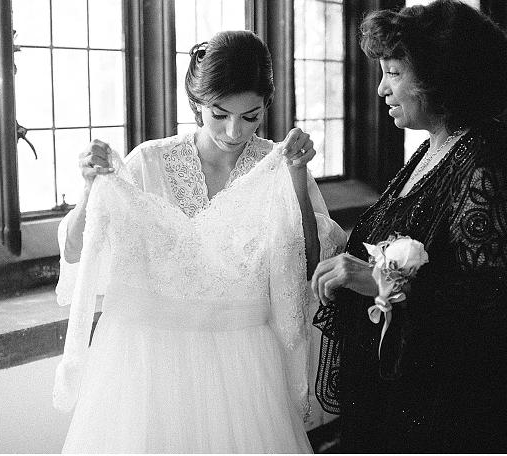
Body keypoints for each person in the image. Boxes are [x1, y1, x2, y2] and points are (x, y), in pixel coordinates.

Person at [53, 30, 347, 453]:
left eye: (250, 116)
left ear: (266, 106)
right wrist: (88, 189)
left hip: (243, 362)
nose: (233, 131)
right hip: (144, 362)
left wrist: (297, 176)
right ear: (196, 102)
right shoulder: (149, 162)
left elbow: (308, 265)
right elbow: (75, 251)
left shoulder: (277, 164)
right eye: (219, 113)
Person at [310, 0, 507, 453]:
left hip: (448, 412)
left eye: (394, 73)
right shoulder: (434, 147)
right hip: (399, 391)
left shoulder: (494, 163)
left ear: (441, 79)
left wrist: (379, 279)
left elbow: (497, 309)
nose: (382, 89)